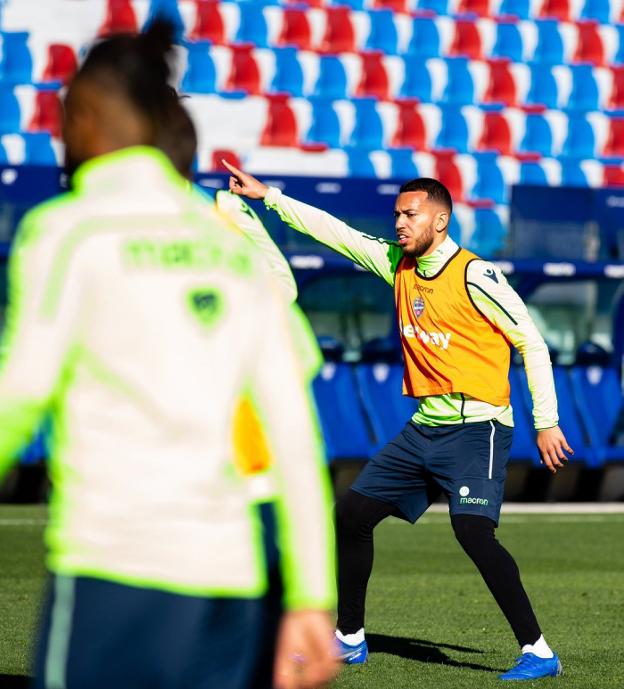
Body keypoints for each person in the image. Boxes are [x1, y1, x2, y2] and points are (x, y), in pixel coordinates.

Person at [0, 22, 339, 689]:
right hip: (231, 580)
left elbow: (18, 395)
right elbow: (295, 436)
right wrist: (310, 595)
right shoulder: (234, 250)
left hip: (111, 568)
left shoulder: (67, 232)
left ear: (88, 116)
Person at [222, 160, 574, 682]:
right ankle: (350, 638)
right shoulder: (398, 265)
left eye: (410, 214)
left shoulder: (476, 275)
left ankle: (538, 649)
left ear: (440, 222)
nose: (400, 223)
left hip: (481, 429)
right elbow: (337, 233)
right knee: (351, 517)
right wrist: (269, 196)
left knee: (474, 532)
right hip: (423, 430)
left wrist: (546, 420)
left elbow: (531, 339)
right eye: (396, 214)